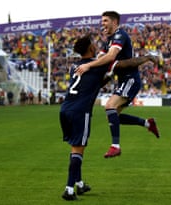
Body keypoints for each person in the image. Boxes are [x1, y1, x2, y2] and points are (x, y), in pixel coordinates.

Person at [60, 35, 159, 201]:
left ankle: (79, 183)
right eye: (93, 44)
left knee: (75, 148)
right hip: (80, 111)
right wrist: (146, 58)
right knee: (78, 150)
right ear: (90, 48)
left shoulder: (75, 67)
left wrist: (108, 77)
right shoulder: (98, 65)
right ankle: (69, 189)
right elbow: (125, 64)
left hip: (65, 109)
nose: (95, 45)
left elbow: (95, 83)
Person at [76, 11, 160, 158]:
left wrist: (89, 67)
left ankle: (115, 146)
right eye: (102, 21)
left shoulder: (120, 35)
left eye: (105, 21)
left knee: (109, 106)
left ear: (114, 22)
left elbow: (110, 57)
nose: (103, 24)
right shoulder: (108, 41)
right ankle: (148, 123)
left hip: (130, 79)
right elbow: (102, 61)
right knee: (113, 116)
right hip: (122, 80)